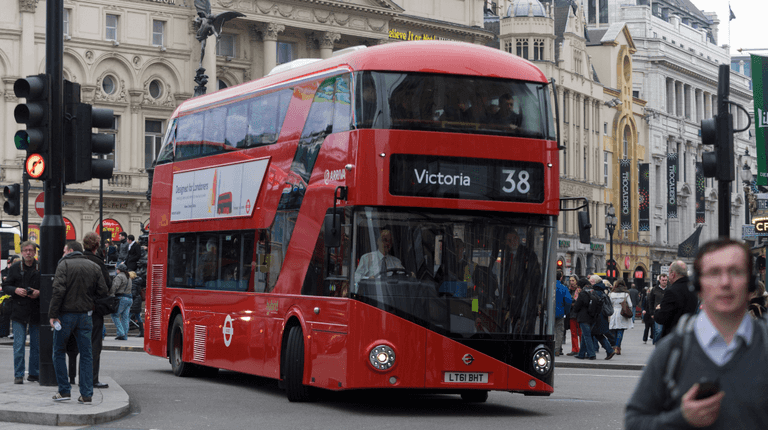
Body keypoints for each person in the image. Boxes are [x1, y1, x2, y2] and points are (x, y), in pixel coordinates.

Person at [625, 238, 768, 429]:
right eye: (714, 273)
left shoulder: (764, 345)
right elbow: (635, 422)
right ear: (698, 285)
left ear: (751, 284)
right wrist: (680, 418)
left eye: (735, 272)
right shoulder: (673, 351)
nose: (725, 282)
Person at [49, 241, 109, 403]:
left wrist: (53, 314)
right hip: (85, 315)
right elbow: (103, 291)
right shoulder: (93, 266)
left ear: (69, 250)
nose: (62, 254)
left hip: (65, 315)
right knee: (87, 354)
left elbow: (58, 290)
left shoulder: (64, 264)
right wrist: (89, 301)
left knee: (58, 351)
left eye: (63, 250)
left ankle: (64, 391)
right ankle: (87, 393)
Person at [2, 242, 40, 384]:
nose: (28, 253)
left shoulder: (40, 267)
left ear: (35, 252)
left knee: (36, 346)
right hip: (19, 311)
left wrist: (39, 293)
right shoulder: (16, 267)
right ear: (22, 252)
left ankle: (34, 374)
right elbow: (6, 286)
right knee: (18, 346)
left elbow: (49, 288)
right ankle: (18, 374)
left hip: (36, 310)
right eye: (25, 250)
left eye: (31, 250)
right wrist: (15, 290)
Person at [82, 232, 112, 389]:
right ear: (96, 246)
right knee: (94, 344)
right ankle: (91, 378)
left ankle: (73, 374)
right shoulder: (98, 263)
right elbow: (105, 286)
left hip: (74, 308)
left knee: (77, 344)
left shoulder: (76, 260)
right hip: (93, 308)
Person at [655, 260, 698, 340]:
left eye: (669, 273)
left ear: (673, 274)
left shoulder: (672, 292)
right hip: (689, 336)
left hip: (673, 337)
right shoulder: (693, 289)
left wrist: (658, 310)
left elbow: (662, 318)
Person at [590, 277, 616, 360]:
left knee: (592, 334)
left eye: (591, 281)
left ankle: (590, 352)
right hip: (603, 317)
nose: (590, 283)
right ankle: (609, 350)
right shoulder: (603, 292)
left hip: (597, 317)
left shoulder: (595, 292)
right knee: (599, 334)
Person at [571, 278, 596, 360]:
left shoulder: (583, 293)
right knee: (585, 335)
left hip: (583, 316)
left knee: (587, 335)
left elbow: (577, 305)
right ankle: (581, 354)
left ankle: (592, 354)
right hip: (592, 315)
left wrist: (575, 308)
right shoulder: (592, 291)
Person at [609, 279, 633, 355]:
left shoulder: (611, 294)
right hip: (622, 313)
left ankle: (615, 346)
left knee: (615, 329)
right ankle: (617, 347)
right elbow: (630, 305)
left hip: (614, 312)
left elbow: (609, 304)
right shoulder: (625, 294)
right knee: (620, 330)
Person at [110, 263, 133, 341]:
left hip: (121, 298)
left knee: (114, 315)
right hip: (129, 298)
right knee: (125, 318)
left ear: (119, 270)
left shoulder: (119, 276)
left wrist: (111, 295)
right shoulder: (128, 277)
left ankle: (121, 333)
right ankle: (124, 335)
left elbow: (114, 287)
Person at [0, 255, 21, 338]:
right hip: (8, 296)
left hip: (16, 296)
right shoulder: (6, 271)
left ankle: (13, 333)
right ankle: (5, 332)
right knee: (6, 314)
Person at [554, 271, 572, 356]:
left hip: (548, 313)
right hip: (560, 312)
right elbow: (568, 301)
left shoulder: (548, 286)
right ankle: (557, 349)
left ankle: (550, 347)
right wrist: (566, 311)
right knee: (559, 331)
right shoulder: (563, 288)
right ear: (561, 278)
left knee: (549, 330)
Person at [649, 274, 668, 344]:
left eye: (665, 280)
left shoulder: (669, 289)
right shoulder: (654, 289)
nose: (664, 282)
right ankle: (657, 345)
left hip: (667, 313)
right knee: (658, 330)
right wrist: (651, 312)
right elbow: (651, 302)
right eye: (663, 280)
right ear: (659, 280)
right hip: (657, 313)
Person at [566, 275, 582, 356]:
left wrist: (572, 302)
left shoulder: (579, 290)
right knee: (573, 333)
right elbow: (568, 301)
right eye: (570, 281)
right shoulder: (569, 290)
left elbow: (577, 301)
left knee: (580, 332)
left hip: (579, 314)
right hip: (571, 314)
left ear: (576, 281)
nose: (571, 282)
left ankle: (582, 349)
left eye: (573, 280)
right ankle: (575, 349)